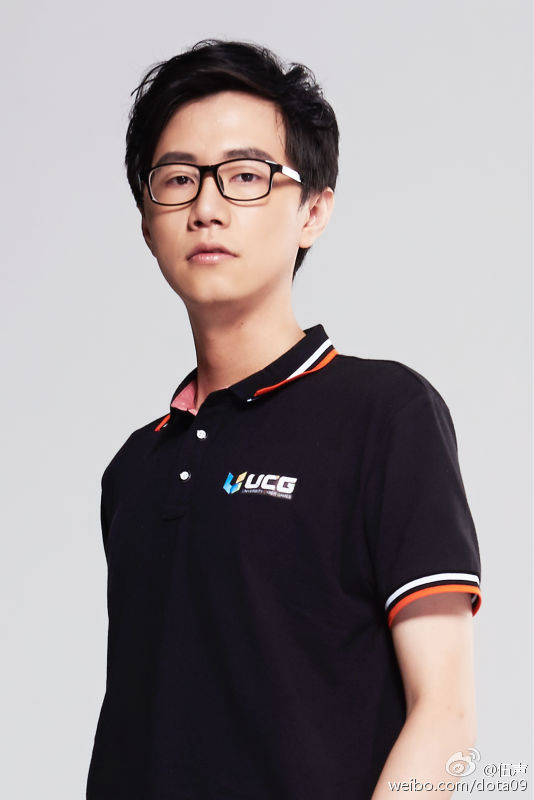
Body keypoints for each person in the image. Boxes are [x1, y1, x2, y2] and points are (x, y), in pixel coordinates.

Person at [86, 39, 482, 800]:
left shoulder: (384, 414)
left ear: (313, 210)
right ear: (146, 220)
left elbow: (448, 715)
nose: (206, 208)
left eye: (244, 176)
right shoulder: (134, 469)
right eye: (178, 179)